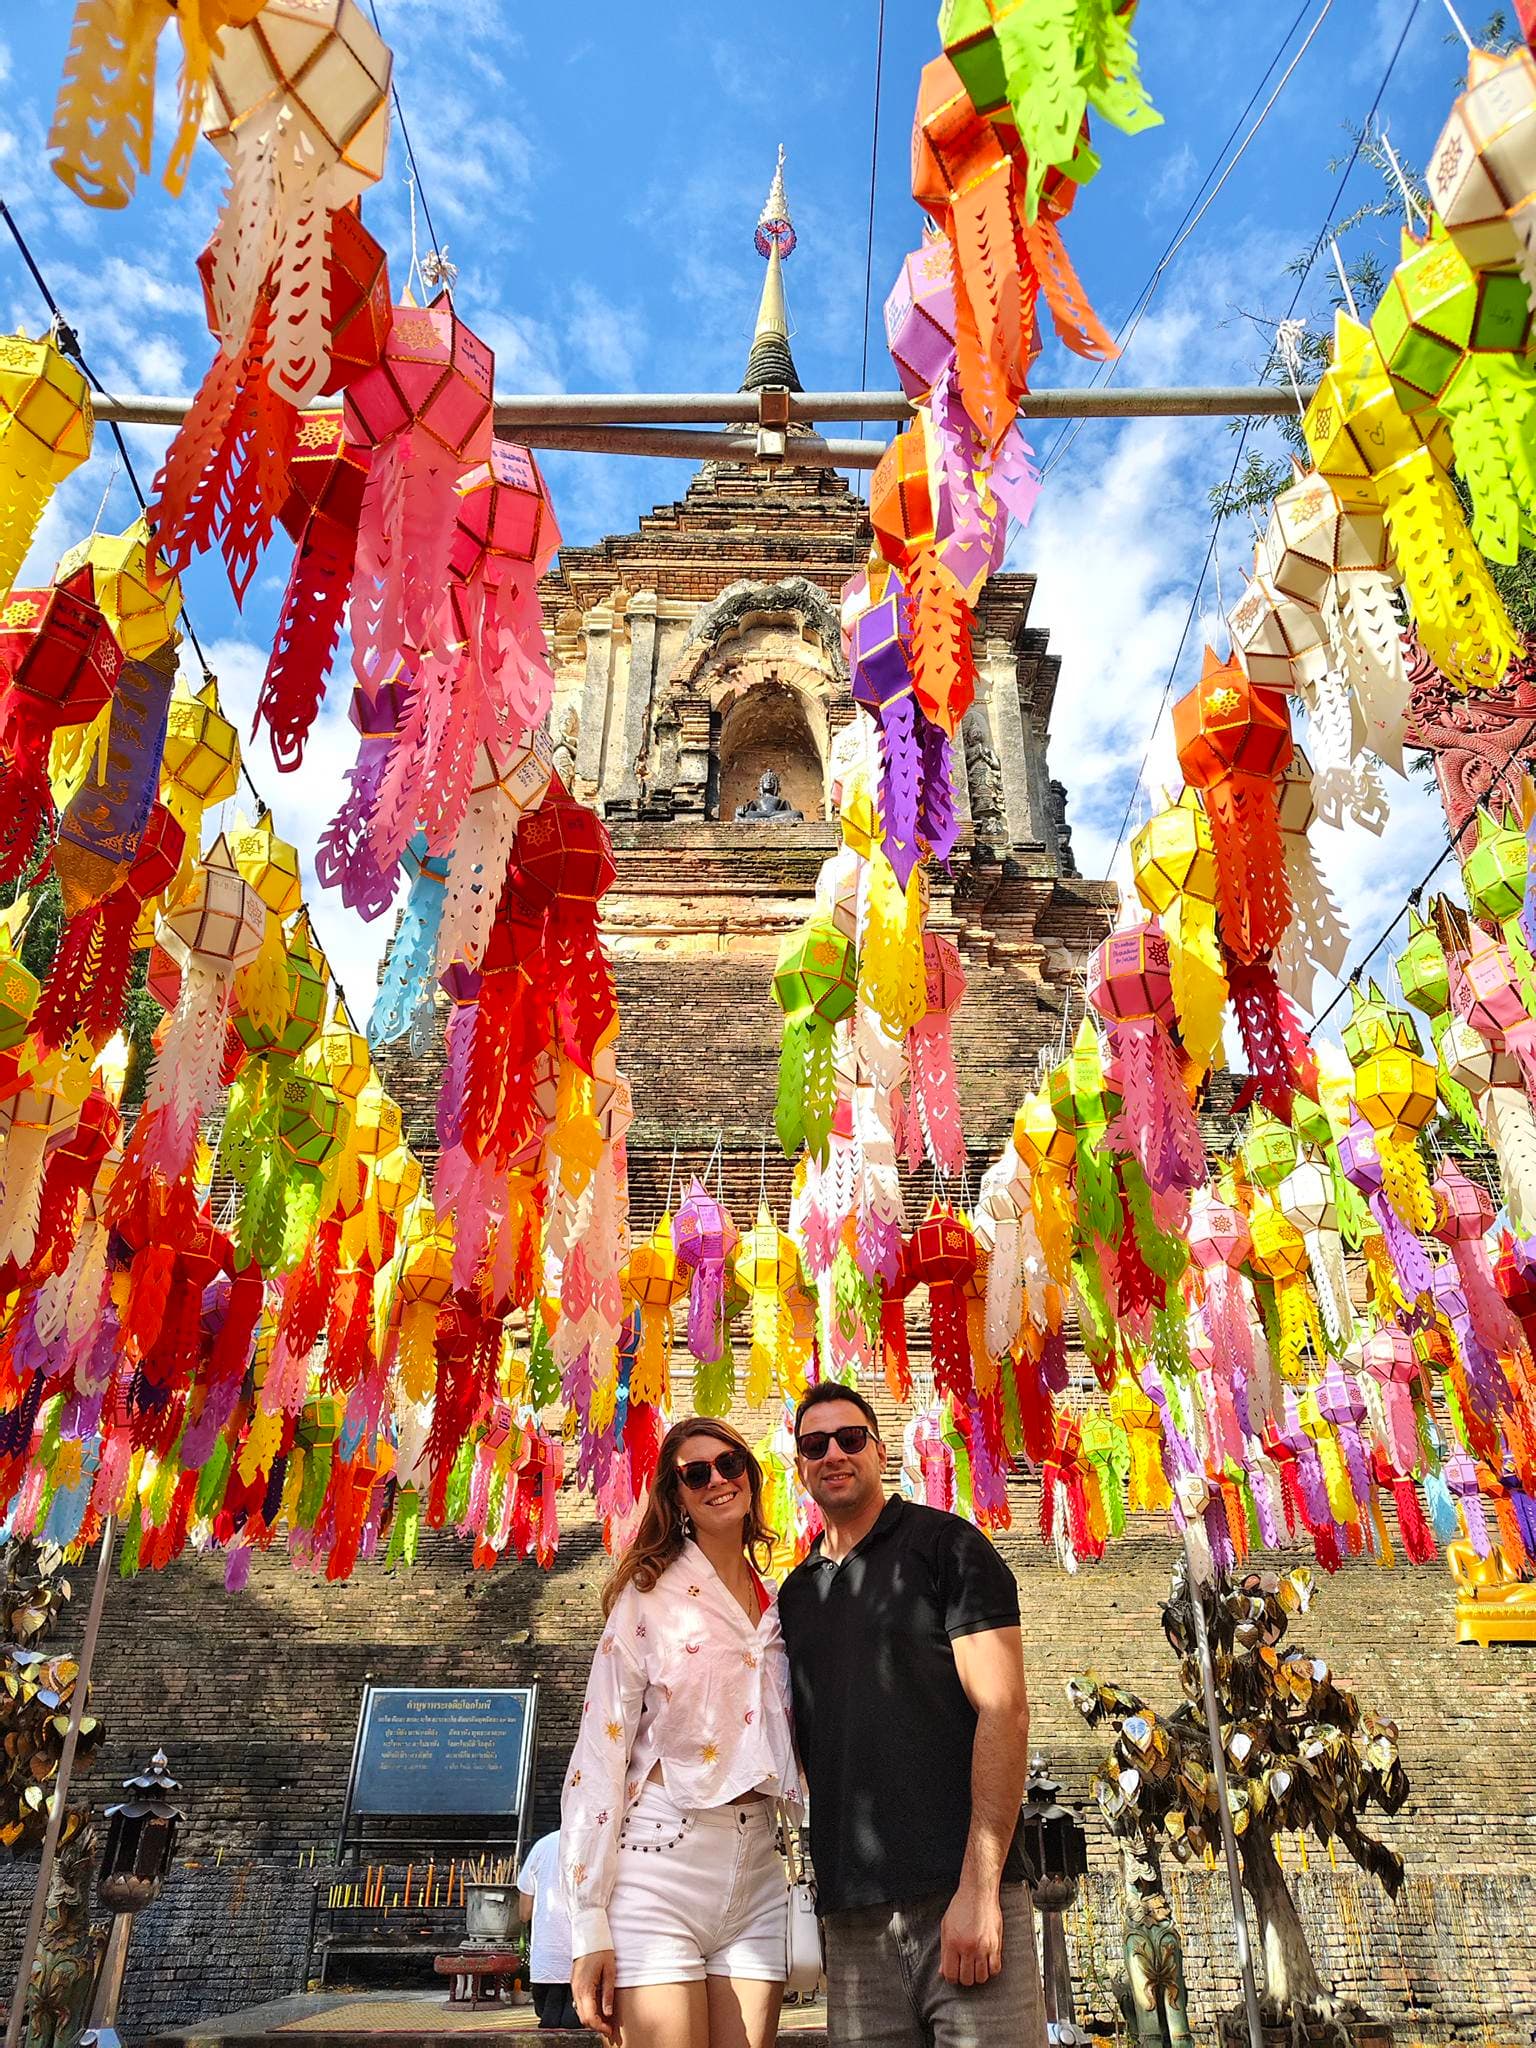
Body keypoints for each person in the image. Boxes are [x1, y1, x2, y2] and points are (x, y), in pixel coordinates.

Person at [777, 1382, 1044, 2048]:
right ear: (800, 1466)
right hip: (854, 1920)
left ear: (880, 1449)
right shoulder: (796, 1594)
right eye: (815, 1445)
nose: (833, 1453)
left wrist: (979, 1889)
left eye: (849, 1439)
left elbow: (1005, 1711)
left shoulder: (946, 1548)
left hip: (959, 1897)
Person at [561, 1415, 800, 2047]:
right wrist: (588, 1924)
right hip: (659, 1865)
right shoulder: (646, 1600)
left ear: (750, 1475)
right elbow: (598, 1756)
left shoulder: (781, 1603)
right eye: (697, 1473)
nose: (718, 1479)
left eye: (731, 1464)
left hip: (757, 1870)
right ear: (677, 1496)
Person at [518, 1828, 579, 2028]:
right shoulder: (593, 1843)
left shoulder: (542, 1846)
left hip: (547, 1952)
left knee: (549, 2017)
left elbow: (524, 1913)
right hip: (582, 1952)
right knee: (573, 2020)